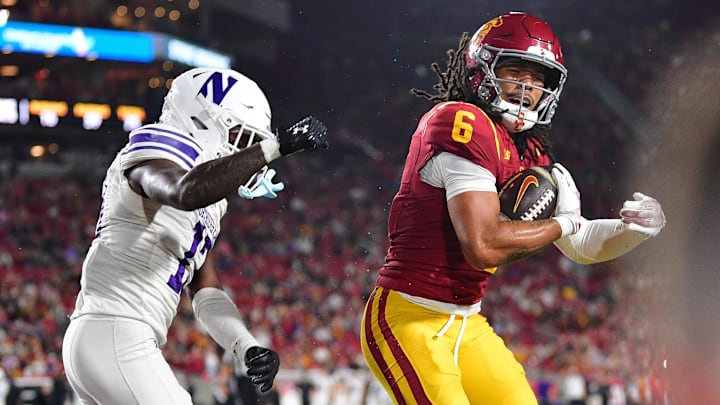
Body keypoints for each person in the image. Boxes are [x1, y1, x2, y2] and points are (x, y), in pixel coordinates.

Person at [359, 11, 666, 405]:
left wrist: (635, 230)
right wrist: (563, 224)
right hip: (408, 319)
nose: (528, 87)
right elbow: (483, 245)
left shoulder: (534, 155)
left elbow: (581, 241)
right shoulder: (459, 122)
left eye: (539, 78)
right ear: (481, 70)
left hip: (467, 324)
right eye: (516, 70)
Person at [61, 67, 329, 404]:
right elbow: (184, 190)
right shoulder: (155, 146)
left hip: (115, 338)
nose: (244, 153)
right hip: (115, 329)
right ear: (204, 121)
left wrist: (245, 345)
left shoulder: (210, 205)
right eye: (240, 138)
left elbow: (206, 292)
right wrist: (277, 145)